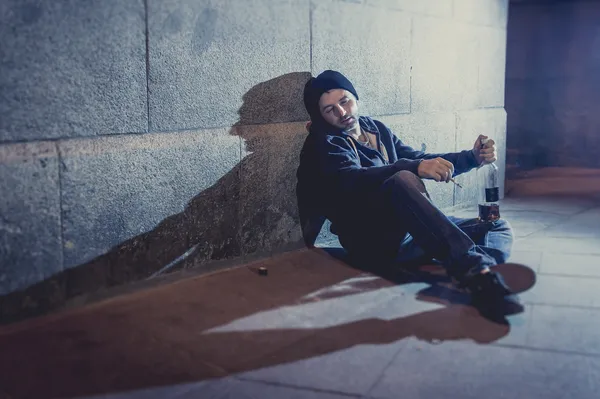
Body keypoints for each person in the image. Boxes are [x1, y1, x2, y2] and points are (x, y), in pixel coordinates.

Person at [296, 70, 523, 319]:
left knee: (496, 226)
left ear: (355, 98)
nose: (342, 113)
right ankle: (477, 274)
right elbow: (352, 179)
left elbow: (419, 159)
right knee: (402, 179)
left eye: (344, 101)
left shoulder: (376, 128)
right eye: (330, 110)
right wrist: (410, 167)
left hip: (412, 232)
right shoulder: (325, 142)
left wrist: (471, 158)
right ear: (321, 116)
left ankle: (461, 261)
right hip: (374, 240)